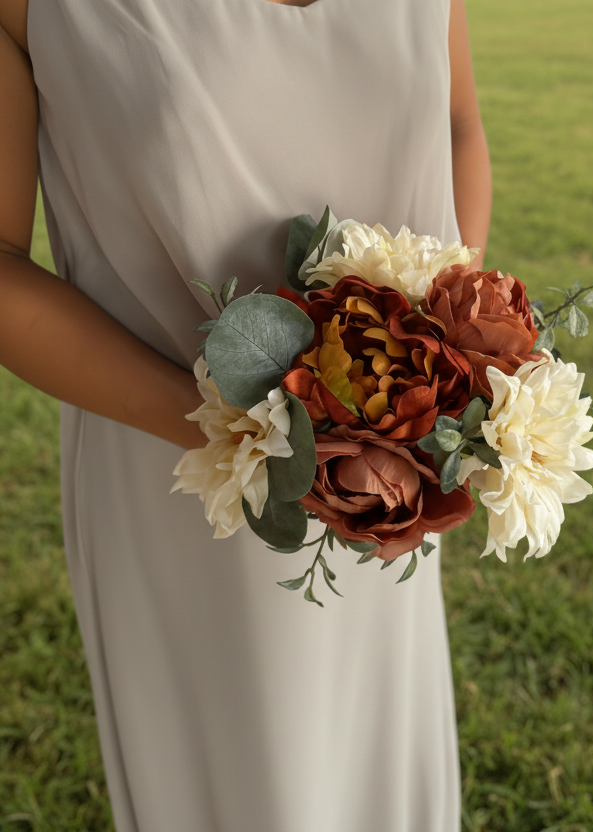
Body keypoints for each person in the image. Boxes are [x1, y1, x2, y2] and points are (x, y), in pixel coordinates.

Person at [0, 0, 491, 829]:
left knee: (377, 746)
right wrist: (259, 440)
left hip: (393, 469)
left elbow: (456, 125)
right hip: (189, 483)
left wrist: (438, 353)